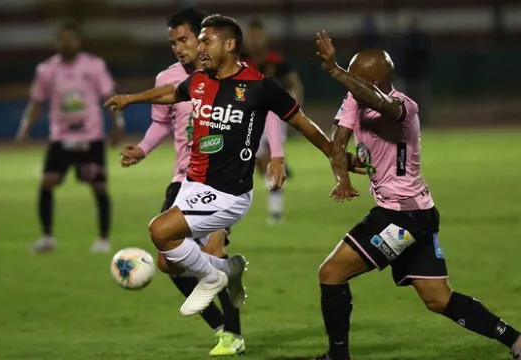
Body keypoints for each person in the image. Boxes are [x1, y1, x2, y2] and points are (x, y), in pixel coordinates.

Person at [105, 15, 350, 321]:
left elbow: (300, 121)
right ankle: (227, 269)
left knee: (158, 230)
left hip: (228, 192)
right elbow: (171, 92)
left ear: (230, 44)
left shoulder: (259, 86)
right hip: (194, 184)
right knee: (168, 262)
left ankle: (214, 281)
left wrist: (332, 153)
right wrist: (132, 99)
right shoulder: (201, 80)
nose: (200, 47)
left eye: (207, 40)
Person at [313, 31, 521, 360]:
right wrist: (342, 177)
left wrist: (335, 71)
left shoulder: (404, 108)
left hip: (401, 216)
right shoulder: (355, 98)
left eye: (354, 79)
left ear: (374, 81)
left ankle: (338, 356)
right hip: (416, 214)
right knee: (438, 298)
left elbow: (382, 103)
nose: (348, 85)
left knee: (331, 273)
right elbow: (338, 142)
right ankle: (517, 340)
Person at [118, 9, 284, 356]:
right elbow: (161, 123)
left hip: (221, 182)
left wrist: (277, 154)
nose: (179, 48)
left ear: (204, 38)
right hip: (183, 181)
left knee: (213, 252)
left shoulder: (234, 77)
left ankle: (232, 335)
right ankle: (221, 323)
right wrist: (144, 150)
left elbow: (266, 110)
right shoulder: (170, 78)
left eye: (184, 39)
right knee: (168, 262)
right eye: (173, 42)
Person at [16, 22, 124, 254]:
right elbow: (36, 101)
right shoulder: (46, 69)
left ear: (78, 41)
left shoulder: (94, 65)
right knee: (47, 182)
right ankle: (47, 236)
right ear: (57, 42)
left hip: (90, 136)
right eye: (62, 39)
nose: (66, 43)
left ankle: (103, 239)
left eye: (71, 38)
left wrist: (117, 126)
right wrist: (25, 128)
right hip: (60, 137)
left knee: (99, 187)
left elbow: (110, 96)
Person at [244, 18, 304, 224]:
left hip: (275, 115)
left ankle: (276, 212)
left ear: (264, 37)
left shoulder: (277, 61)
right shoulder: (240, 61)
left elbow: (294, 84)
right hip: (251, 115)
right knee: (260, 161)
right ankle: (278, 176)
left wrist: (295, 112)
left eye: (257, 35)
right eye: (250, 35)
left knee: (272, 156)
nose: (254, 39)